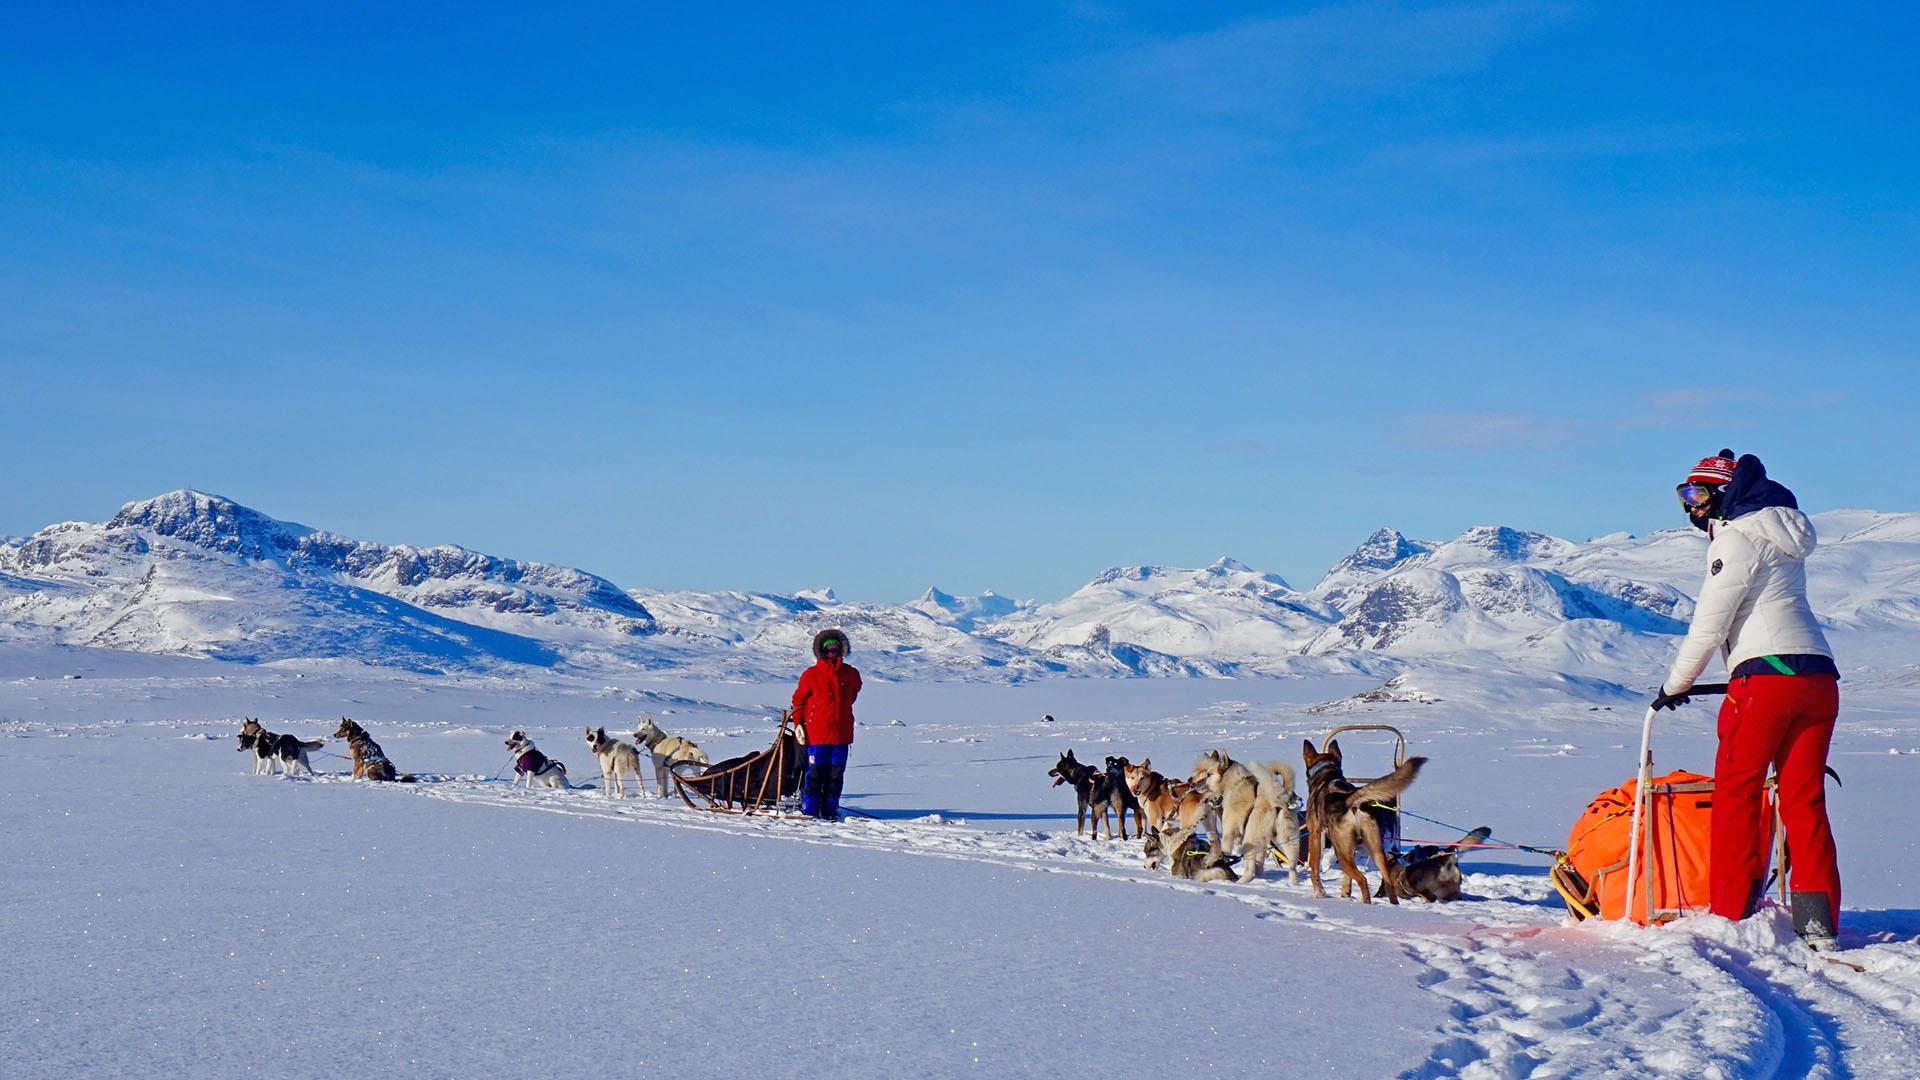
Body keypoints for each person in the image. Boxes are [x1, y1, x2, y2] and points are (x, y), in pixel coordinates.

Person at [1654, 450, 1841, 949]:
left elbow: (1711, 621)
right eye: (1683, 495)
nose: (1689, 507)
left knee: (1737, 792)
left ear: (1720, 495)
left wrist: (1676, 683)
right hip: (1819, 676)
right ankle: (1817, 922)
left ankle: (1731, 913)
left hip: (1765, 679)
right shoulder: (1782, 537)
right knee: (1803, 799)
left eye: (1694, 494)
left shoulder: (1737, 537)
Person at [790, 627, 861, 820]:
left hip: (841, 735)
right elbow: (798, 701)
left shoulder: (851, 675)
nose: (832, 654)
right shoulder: (811, 675)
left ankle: (830, 810)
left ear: (842, 651)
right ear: (821, 651)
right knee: (814, 774)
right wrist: (798, 724)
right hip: (816, 734)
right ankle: (810, 810)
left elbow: (852, 696)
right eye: (828, 650)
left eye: (836, 650)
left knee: (836, 775)